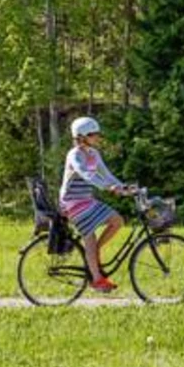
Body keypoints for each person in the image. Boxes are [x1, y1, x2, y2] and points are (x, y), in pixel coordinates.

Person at [60, 116, 130, 293]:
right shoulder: (74, 154)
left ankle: (95, 252)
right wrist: (109, 187)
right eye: (93, 134)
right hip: (72, 202)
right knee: (89, 237)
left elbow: (106, 174)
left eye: (97, 134)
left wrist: (123, 187)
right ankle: (97, 280)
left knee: (117, 221)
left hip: (87, 200)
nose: (97, 137)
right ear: (82, 136)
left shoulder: (93, 153)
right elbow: (86, 175)